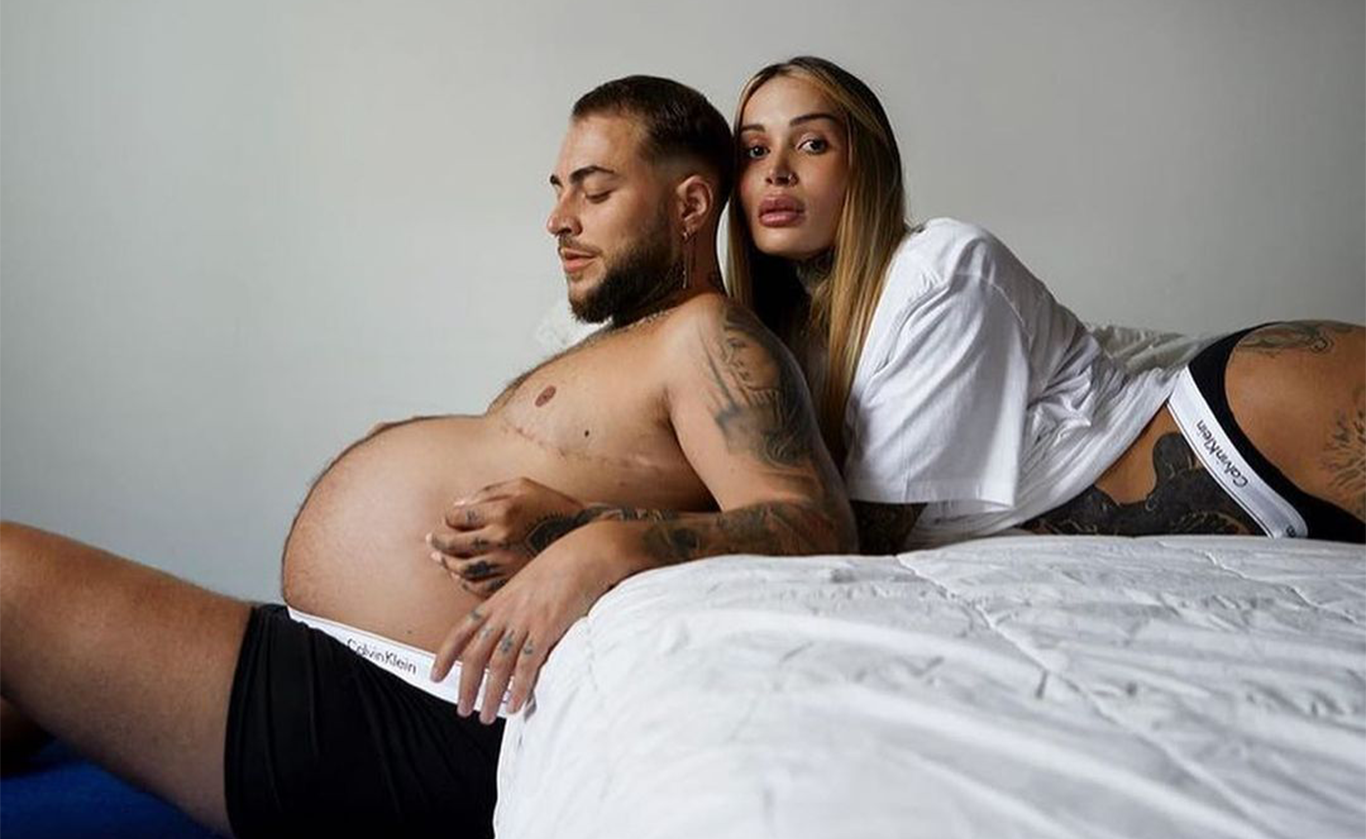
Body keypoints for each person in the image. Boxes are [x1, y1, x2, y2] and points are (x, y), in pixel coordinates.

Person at [0, 75, 855, 837]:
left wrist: (597, 538)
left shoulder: (710, 338)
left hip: (407, 717)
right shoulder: (629, 340)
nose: (559, 218)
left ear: (691, 205)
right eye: (560, 189)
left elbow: (816, 526)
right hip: (347, 663)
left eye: (594, 191)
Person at [723, 55, 1363, 552]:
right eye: (754, 150)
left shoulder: (943, 267)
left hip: (1255, 422)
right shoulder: (791, 338)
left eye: (812, 143)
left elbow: (861, 533)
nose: (776, 170)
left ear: (868, 167)